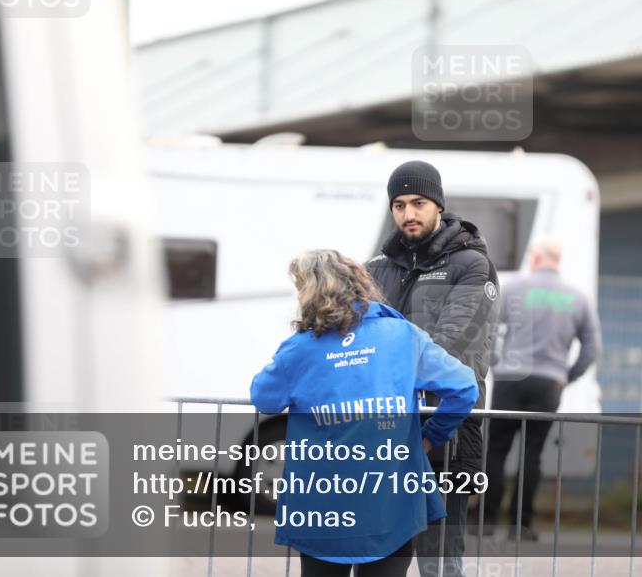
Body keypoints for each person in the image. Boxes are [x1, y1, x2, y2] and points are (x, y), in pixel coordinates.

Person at [250, 249, 478, 577]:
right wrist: (430, 437)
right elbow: (464, 388)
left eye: (300, 287)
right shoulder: (403, 336)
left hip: (323, 503)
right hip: (392, 500)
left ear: (313, 291)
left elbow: (264, 398)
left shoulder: (301, 349)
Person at [366, 160, 499, 577]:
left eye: (418, 202)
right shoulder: (375, 269)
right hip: (383, 432)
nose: (408, 213)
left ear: (438, 205)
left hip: (446, 431)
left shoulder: (472, 264)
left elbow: (452, 349)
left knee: (438, 559)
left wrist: (375, 365)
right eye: (400, 204)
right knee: (379, 554)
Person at [482, 239, 602, 541]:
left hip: (511, 378)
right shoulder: (578, 297)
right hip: (549, 383)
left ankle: (485, 522)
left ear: (536, 257)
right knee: (532, 454)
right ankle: (520, 526)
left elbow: (488, 329)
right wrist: (566, 376)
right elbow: (592, 347)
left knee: (496, 450)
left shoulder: (513, 287)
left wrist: (497, 363)